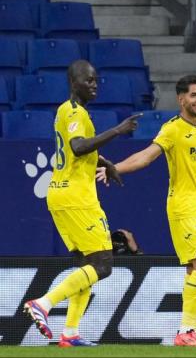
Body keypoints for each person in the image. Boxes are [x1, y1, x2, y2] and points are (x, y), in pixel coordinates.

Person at [23, 59, 142, 347]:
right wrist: (117, 131)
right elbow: (77, 147)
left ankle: (70, 333)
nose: (95, 85)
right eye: (88, 80)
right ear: (73, 83)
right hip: (78, 197)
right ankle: (43, 303)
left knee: (86, 267)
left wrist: (105, 163)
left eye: (96, 80)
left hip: (61, 194)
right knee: (103, 265)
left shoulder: (70, 113)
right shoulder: (74, 111)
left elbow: (75, 149)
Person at [110, 74, 196, 347]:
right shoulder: (172, 129)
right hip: (184, 208)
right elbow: (147, 156)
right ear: (181, 99)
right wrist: (115, 167)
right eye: (194, 95)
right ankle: (187, 330)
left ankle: (195, 331)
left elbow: (192, 154)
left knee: (193, 268)